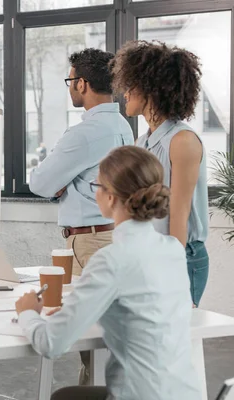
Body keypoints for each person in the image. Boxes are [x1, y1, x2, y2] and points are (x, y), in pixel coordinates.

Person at [16, 146, 201, 400]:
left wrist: (27, 312)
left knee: (64, 397)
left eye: (97, 186)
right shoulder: (172, 249)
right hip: (184, 393)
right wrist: (87, 308)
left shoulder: (111, 260)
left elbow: (51, 343)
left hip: (138, 395)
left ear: (111, 197)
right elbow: (144, 310)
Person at [28, 48, 134, 384]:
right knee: (105, 333)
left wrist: (63, 184)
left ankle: (93, 392)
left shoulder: (83, 134)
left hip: (89, 241)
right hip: (111, 233)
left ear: (83, 83)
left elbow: (41, 184)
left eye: (70, 81)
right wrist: (72, 182)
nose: (70, 87)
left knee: (88, 333)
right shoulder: (123, 125)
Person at [110, 40, 209, 307]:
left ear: (151, 88)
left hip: (180, 256)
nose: (125, 93)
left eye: (131, 86)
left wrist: (169, 273)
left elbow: (179, 217)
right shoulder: (141, 142)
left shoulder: (182, 141)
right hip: (149, 253)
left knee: (175, 340)